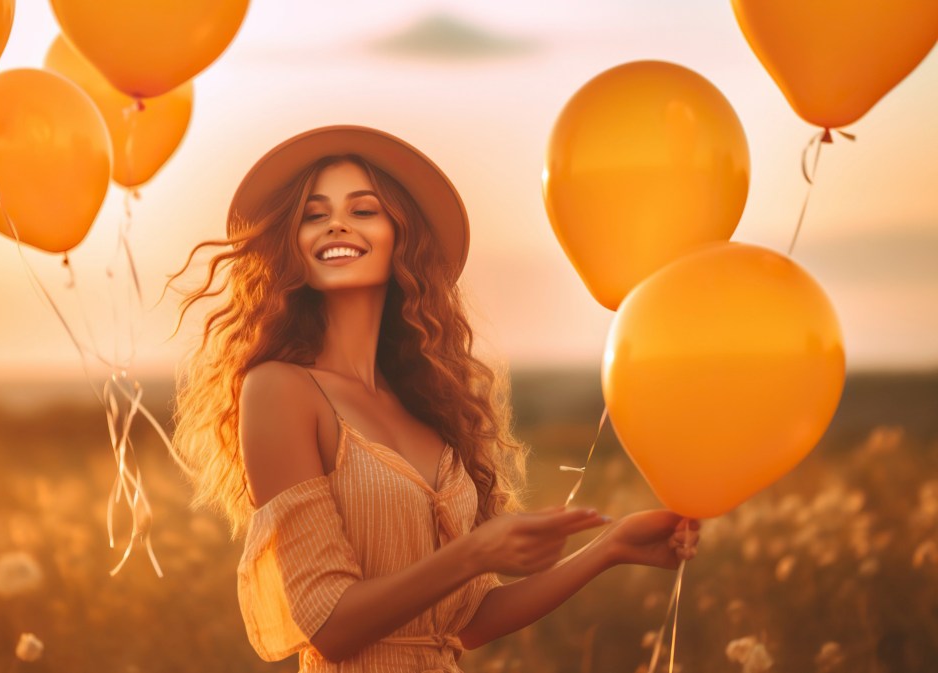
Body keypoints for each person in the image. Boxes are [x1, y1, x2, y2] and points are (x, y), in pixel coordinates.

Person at [167, 125, 700, 672]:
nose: (336, 224)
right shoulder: (280, 389)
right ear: (293, 243)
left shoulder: (425, 404)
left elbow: (467, 622)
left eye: (364, 209)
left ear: (403, 236)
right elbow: (328, 626)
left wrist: (610, 549)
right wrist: (476, 552)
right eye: (314, 213)